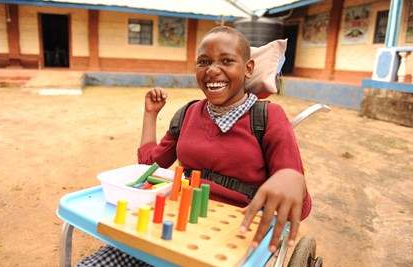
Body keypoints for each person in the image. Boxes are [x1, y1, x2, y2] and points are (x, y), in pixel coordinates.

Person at [77, 25, 311, 267]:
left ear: (248, 68)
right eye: (204, 61)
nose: (212, 70)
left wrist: (292, 178)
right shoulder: (187, 113)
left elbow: (300, 207)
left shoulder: (268, 117)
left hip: (236, 234)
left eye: (227, 61)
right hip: (174, 221)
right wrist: (150, 115)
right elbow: (148, 166)